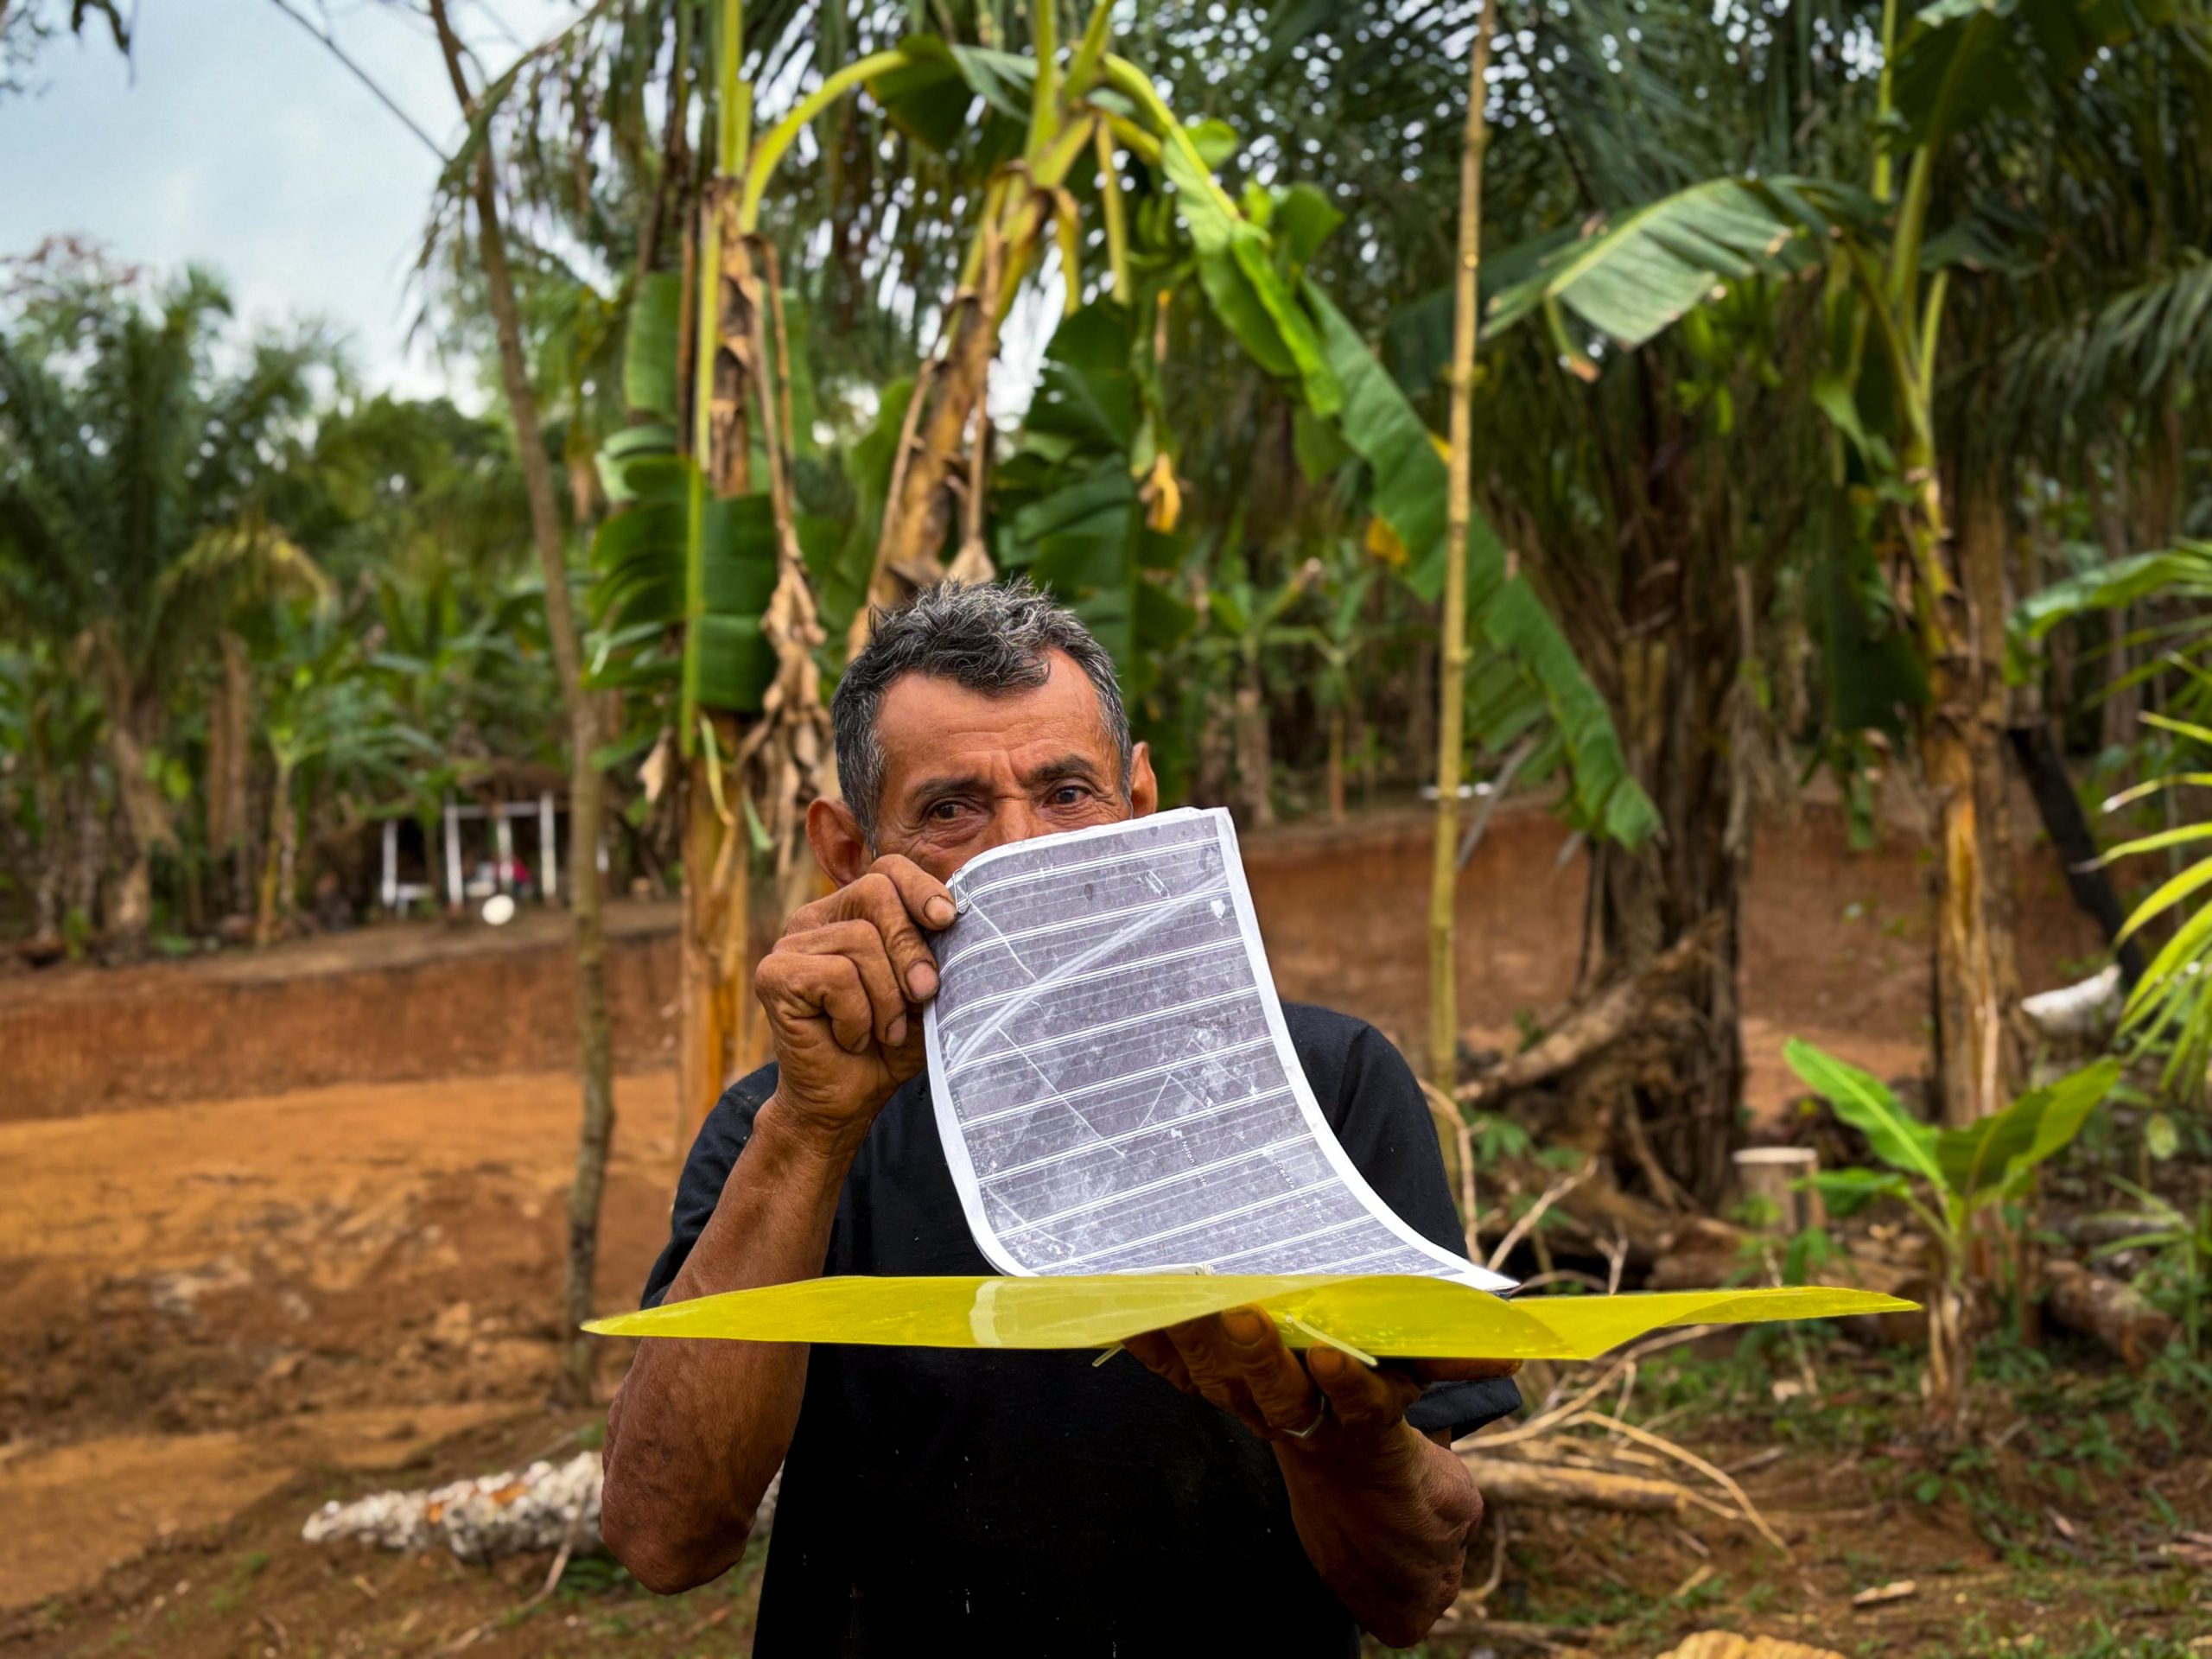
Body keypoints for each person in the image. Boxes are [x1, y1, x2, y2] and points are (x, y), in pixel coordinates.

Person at [601, 581, 1520, 1655]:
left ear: (1139, 802)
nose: (1024, 849)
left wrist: (1328, 1427)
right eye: (952, 810)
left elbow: (1408, 1594)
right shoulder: (787, 1129)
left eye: (1067, 793)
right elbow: (664, 1541)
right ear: (849, 853)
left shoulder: (1328, 1086)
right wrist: (808, 1135)